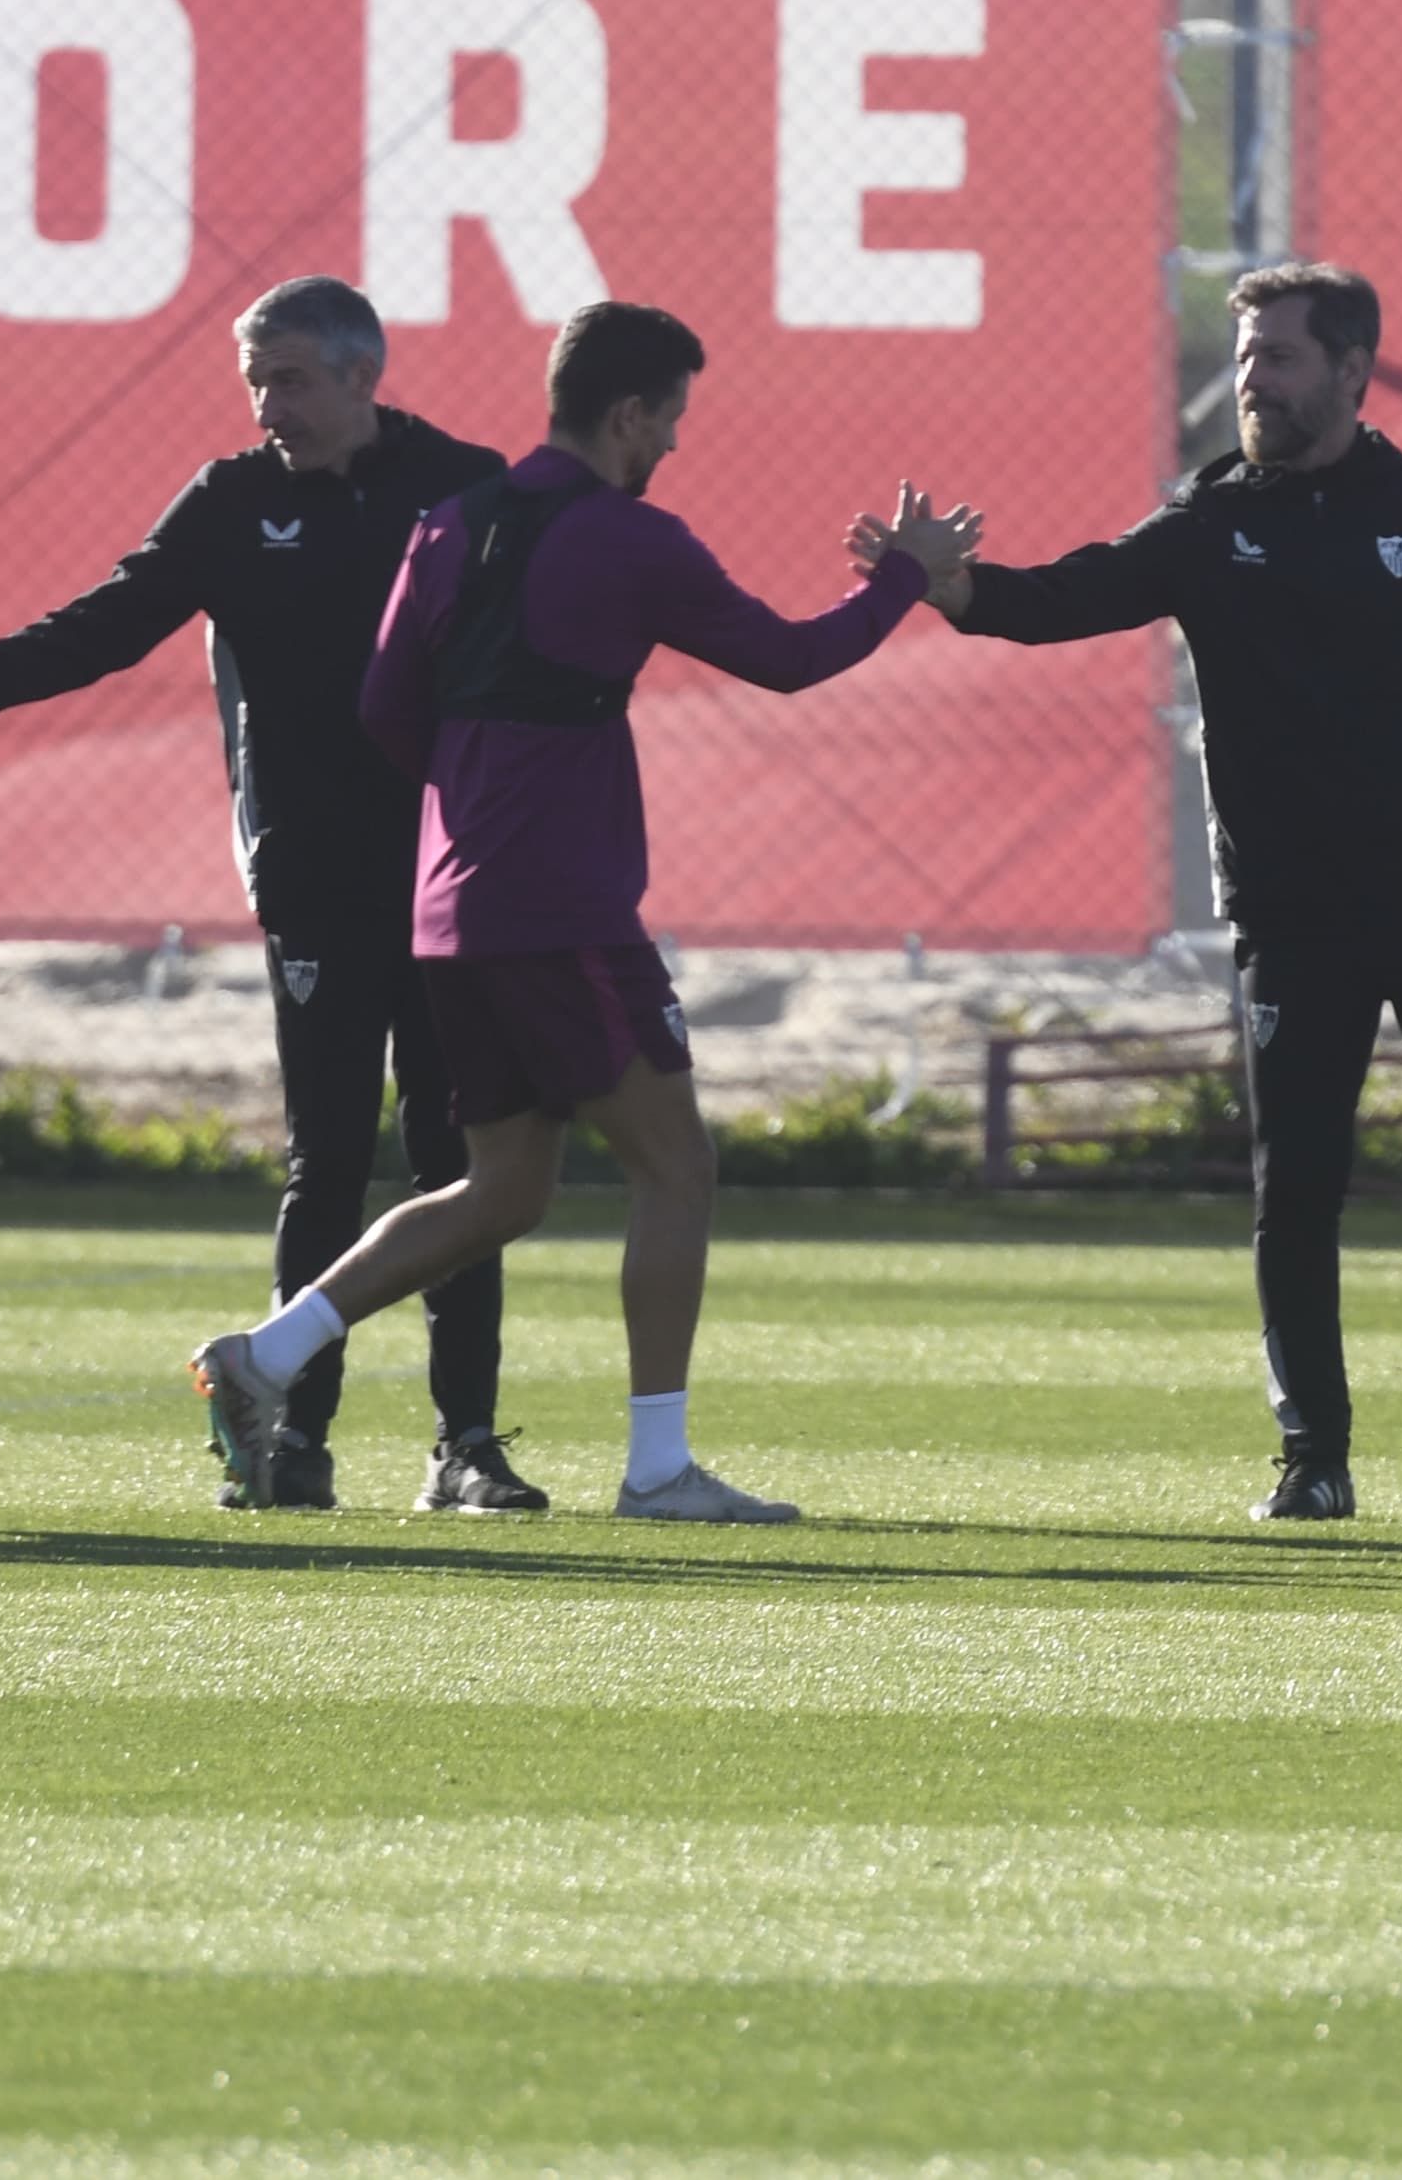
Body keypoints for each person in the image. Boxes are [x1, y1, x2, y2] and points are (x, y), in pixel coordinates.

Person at [189, 301, 974, 1524]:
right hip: (559, 903)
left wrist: (474, 796)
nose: (672, 442)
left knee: (500, 1189)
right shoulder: (627, 537)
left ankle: (267, 1357)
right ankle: (658, 1466)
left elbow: (389, 707)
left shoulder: (447, 524)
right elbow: (787, 656)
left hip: (448, 906)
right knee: (677, 1163)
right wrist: (904, 578)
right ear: (627, 412)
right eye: (668, 417)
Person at [0, 277, 536, 1516]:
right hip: (312, 870)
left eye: (290, 377)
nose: (266, 403)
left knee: (456, 1158)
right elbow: (103, 623)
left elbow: (537, 653)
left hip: (449, 870)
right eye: (255, 377)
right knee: (328, 1160)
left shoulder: (465, 486)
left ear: (364, 375)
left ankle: (466, 1443)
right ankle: (293, 1436)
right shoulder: (233, 501)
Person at [924, 261, 1402, 1526]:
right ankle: (1312, 1455)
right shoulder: (1210, 523)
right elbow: (1063, 597)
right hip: (1290, 910)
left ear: (1349, 370)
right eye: (1243, 354)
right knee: (1294, 1190)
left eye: (1276, 354)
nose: (1251, 379)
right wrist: (948, 587)